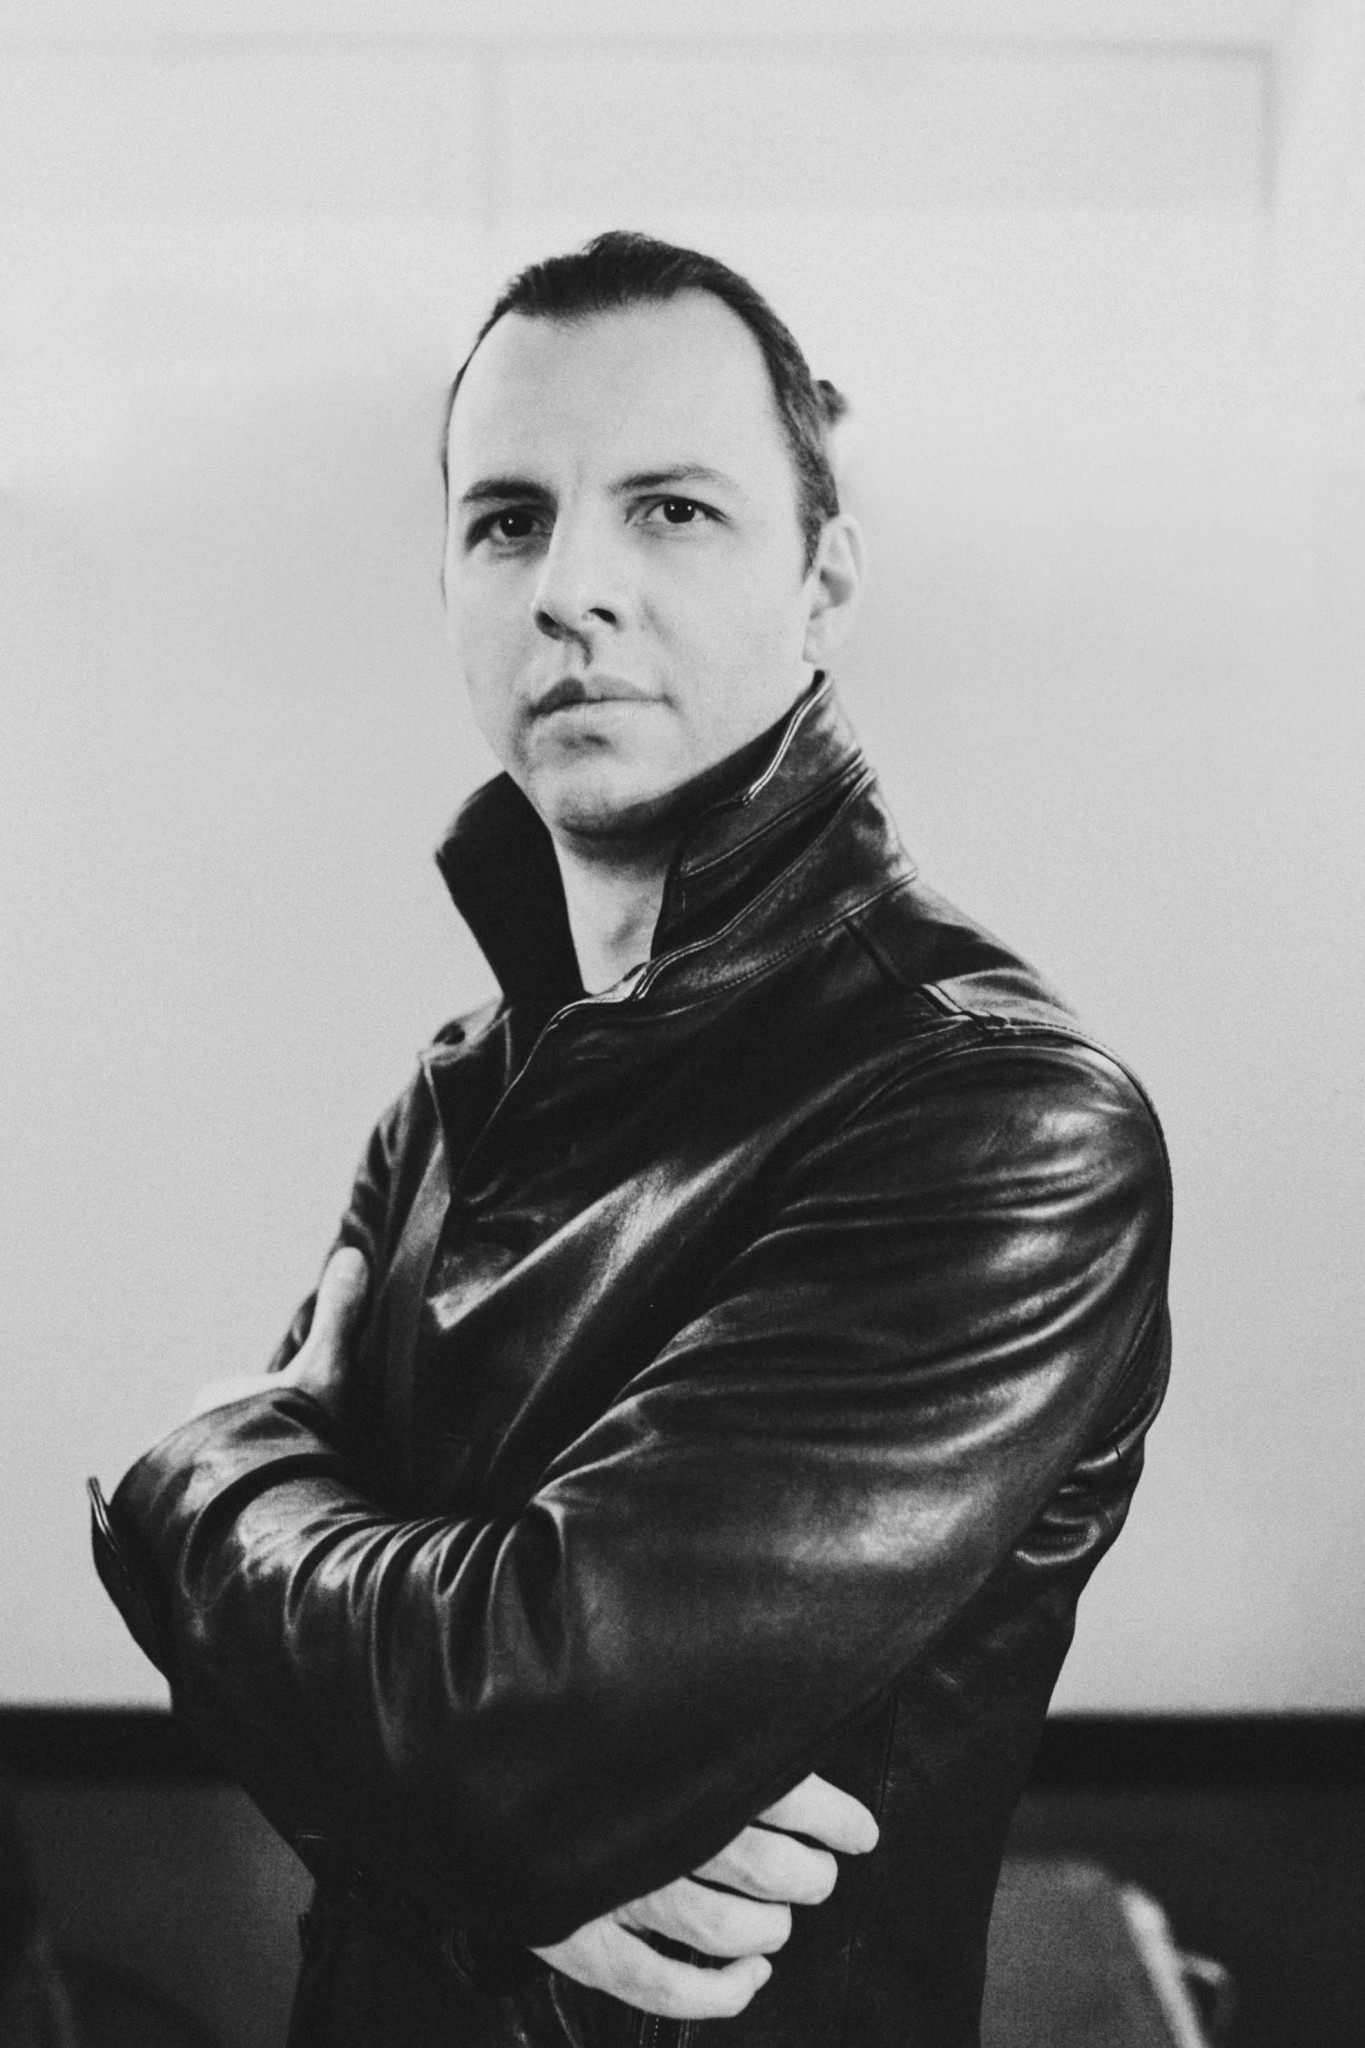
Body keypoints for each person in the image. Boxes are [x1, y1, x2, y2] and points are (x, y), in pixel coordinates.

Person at [91, 231, 1172, 2048]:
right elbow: (380, 1729)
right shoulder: (450, 1098)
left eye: (670, 510)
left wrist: (188, 1473)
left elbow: (520, 1710)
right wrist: (490, 1841)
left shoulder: (994, 1119)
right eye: (508, 520)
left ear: (820, 584)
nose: (569, 586)